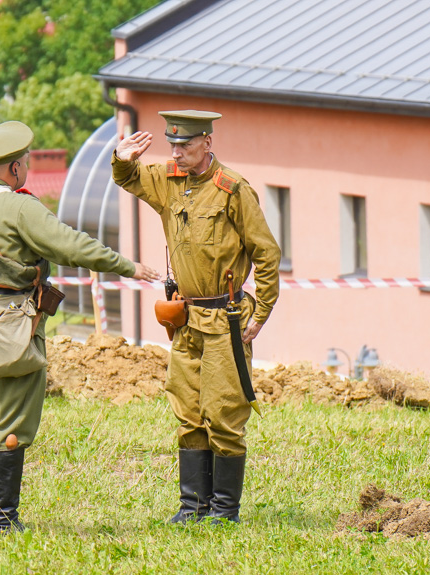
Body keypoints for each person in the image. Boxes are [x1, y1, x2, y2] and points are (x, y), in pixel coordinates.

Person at [0, 121, 159, 534]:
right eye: (23, 162)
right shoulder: (21, 208)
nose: (25, 167)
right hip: (9, 330)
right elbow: (72, 245)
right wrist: (127, 266)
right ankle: (2, 520)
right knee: (10, 426)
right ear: (14, 168)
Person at [112, 110, 281, 524]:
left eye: (185, 146)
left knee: (223, 411)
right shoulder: (169, 180)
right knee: (187, 410)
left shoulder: (232, 190)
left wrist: (261, 313)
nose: (177, 153)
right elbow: (129, 179)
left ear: (207, 142)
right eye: (172, 145)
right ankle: (192, 506)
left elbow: (266, 252)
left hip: (225, 319)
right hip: (185, 320)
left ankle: (224, 511)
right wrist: (121, 157)